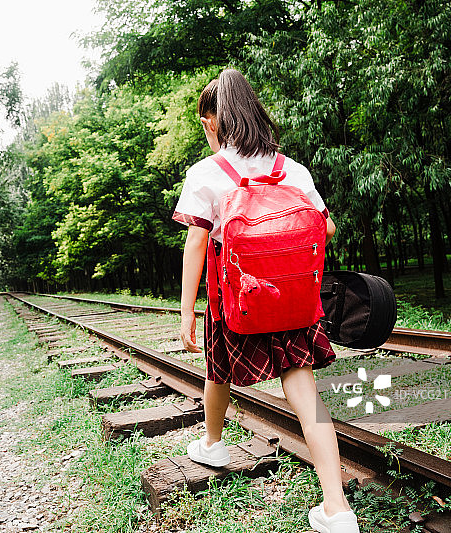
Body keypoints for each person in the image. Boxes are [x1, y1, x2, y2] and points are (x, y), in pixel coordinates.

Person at [172, 68, 360, 533]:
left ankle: (213, 443)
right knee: (306, 394)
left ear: (216, 120)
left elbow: (196, 244)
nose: (205, 130)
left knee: (219, 372)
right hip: (292, 301)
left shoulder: (206, 174)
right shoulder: (291, 169)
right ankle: (336, 509)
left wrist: (186, 313)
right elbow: (327, 228)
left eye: (204, 122)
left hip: (236, 299)